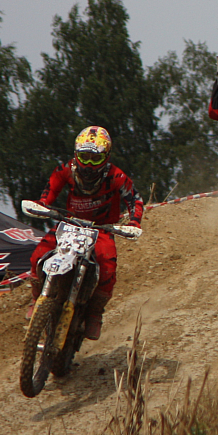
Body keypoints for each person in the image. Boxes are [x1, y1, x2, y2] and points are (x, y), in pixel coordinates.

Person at [27, 125, 144, 341]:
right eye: (84, 157)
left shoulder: (116, 176)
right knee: (38, 256)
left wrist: (134, 222)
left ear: (106, 157)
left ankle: (94, 313)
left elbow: (135, 199)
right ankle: (36, 299)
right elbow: (50, 190)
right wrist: (42, 204)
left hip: (101, 229)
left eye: (95, 159)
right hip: (69, 223)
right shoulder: (66, 169)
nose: (89, 164)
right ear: (76, 154)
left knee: (107, 268)